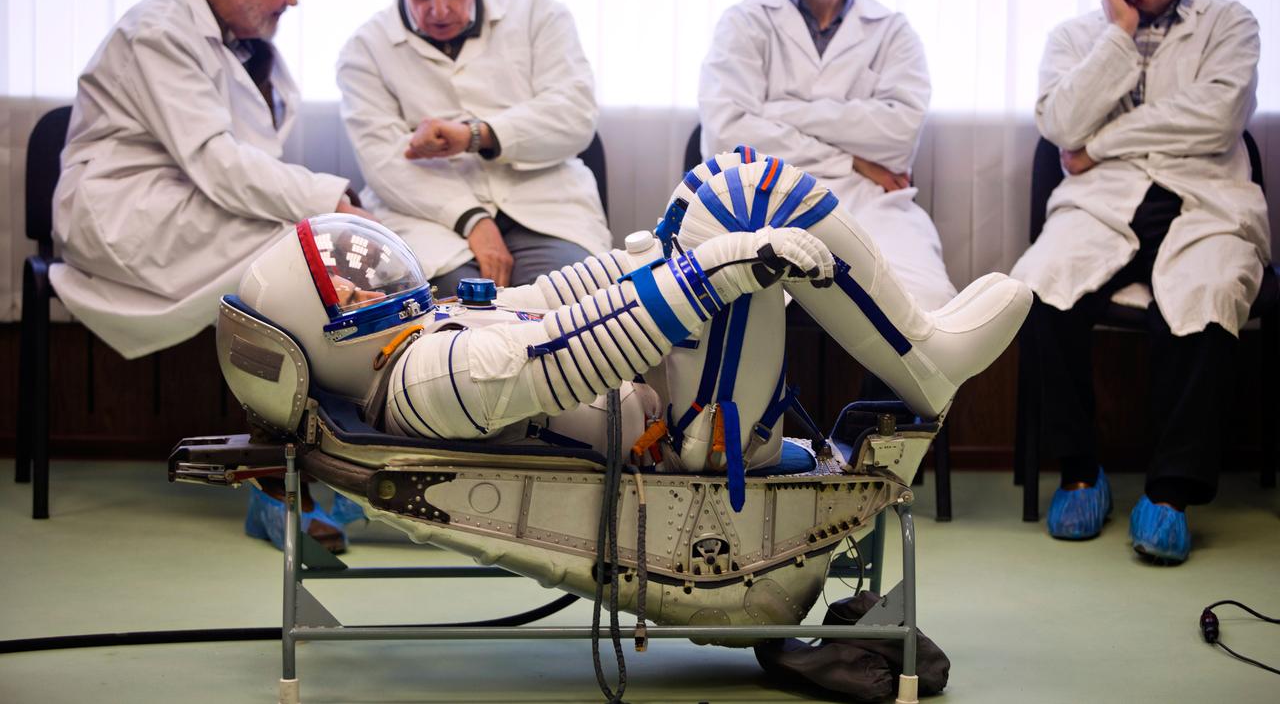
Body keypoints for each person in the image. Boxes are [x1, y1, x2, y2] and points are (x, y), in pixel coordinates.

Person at [234, 149, 1031, 544]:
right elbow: (574, 351)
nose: (372, 284)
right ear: (326, 333)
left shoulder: (421, 340)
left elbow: (557, 300)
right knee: (749, 200)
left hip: (669, 406)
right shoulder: (426, 379)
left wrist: (652, 261)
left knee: (718, 184)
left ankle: (927, 356)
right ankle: (928, 359)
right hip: (682, 449)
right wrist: (709, 272)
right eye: (350, 290)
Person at [1011, 0, 1267, 564]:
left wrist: (1103, 142)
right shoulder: (1078, 35)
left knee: (1207, 297)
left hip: (1203, 200)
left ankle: (1171, 492)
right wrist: (1116, 37)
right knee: (1036, 289)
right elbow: (1061, 126)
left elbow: (1217, 119)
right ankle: (1078, 470)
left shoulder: (1231, 24)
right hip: (1102, 203)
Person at [51, 0, 369, 360]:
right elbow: (218, 161)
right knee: (301, 251)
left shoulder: (229, 37)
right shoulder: (159, 32)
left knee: (305, 247)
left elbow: (241, 154)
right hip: (124, 208)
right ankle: (308, 409)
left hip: (182, 196)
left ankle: (306, 407)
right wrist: (330, 200)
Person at [698, 0, 954, 313]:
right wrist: (851, 158)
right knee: (731, 310)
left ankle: (883, 391)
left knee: (927, 307)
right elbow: (725, 135)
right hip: (762, 203)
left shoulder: (892, 31)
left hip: (871, 204)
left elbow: (897, 139)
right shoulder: (743, 23)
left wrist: (776, 111)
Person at [337, 0, 610, 296]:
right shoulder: (364, 50)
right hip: (431, 221)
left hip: (544, 205)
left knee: (567, 300)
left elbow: (574, 114)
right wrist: (472, 219)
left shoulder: (539, 14)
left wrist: (474, 136)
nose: (439, 9)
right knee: (450, 312)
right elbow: (383, 161)